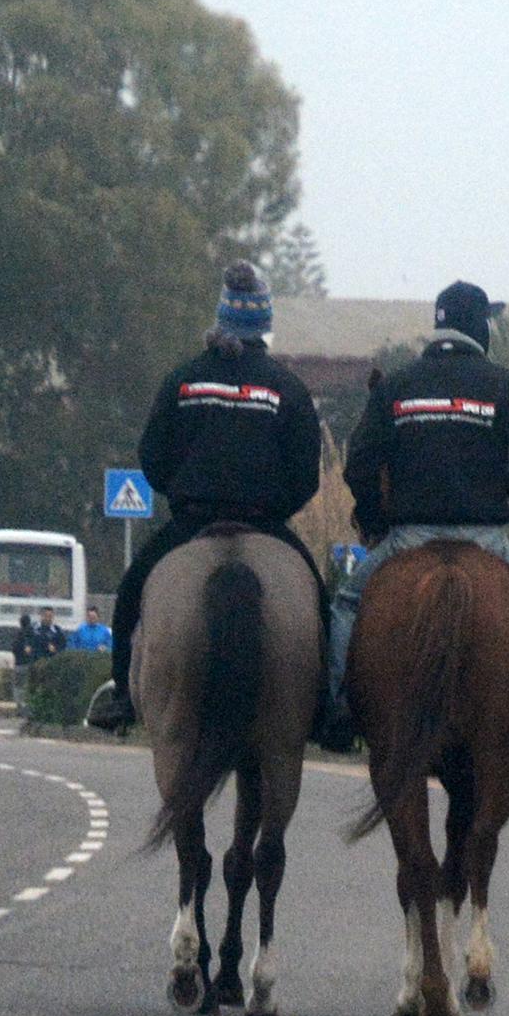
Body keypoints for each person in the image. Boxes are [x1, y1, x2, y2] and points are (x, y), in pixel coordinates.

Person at [321, 279, 509, 759]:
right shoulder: (503, 385)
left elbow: (360, 463)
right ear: (479, 329)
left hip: (410, 538)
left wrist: (376, 515)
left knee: (347, 606)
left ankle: (339, 711)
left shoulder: (396, 385)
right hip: (485, 539)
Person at [87, 260, 326, 731]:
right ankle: (326, 706)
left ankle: (120, 695)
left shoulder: (183, 380)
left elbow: (152, 457)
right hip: (265, 523)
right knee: (318, 598)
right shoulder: (288, 389)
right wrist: (275, 510)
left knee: (134, 589)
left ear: (220, 320)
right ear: (265, 327)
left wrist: (182, 493)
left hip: (191, 524)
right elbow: (306, 478)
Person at [11, 613, 36, 712]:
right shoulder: (32, 634)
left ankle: (20, 706)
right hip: (30, 664)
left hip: (19, 664)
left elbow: (14, 649)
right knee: (28, 685)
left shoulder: (19, 634)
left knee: (18, 686)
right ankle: (27, 706)